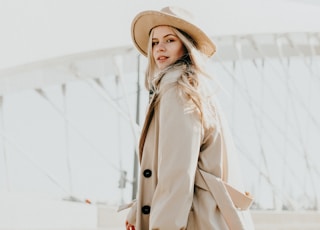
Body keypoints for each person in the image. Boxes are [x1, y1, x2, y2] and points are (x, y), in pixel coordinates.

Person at [122, 6, 255, 230]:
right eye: (154, 42)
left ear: (185, 45)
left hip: (192, 220)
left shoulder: (177, 89)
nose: (160, 48)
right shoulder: (191, 87)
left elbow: (177, 171)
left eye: (170, 40)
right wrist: (139, 209)